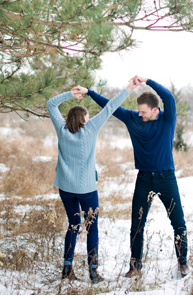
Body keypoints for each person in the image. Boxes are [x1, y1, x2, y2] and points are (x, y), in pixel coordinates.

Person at [84, 75, 189, 278]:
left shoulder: (167, 120)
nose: (140, 115)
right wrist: (89, 92)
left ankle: (183, 263)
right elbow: (110, 106)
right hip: (144, 179)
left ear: (155, 110)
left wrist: (148, 80)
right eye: (138, 111)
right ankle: (135, 267)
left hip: (166, 178)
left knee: (178, 222)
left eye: (143, 112)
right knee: (136, 225)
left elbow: (168, 97)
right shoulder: (133, 118)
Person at [49, 78, 136, 283]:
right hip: (87, 189)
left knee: (73, 224)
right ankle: (93, 271)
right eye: (87, 115)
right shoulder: (90, 129)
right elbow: (110, 107)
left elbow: (51, 104)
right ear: (84, 118)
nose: (89, 117)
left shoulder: (61, 130)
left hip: (65, 189)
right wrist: (128, 89)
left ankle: (67, 269)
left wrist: (70, 94)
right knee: (92, 228)